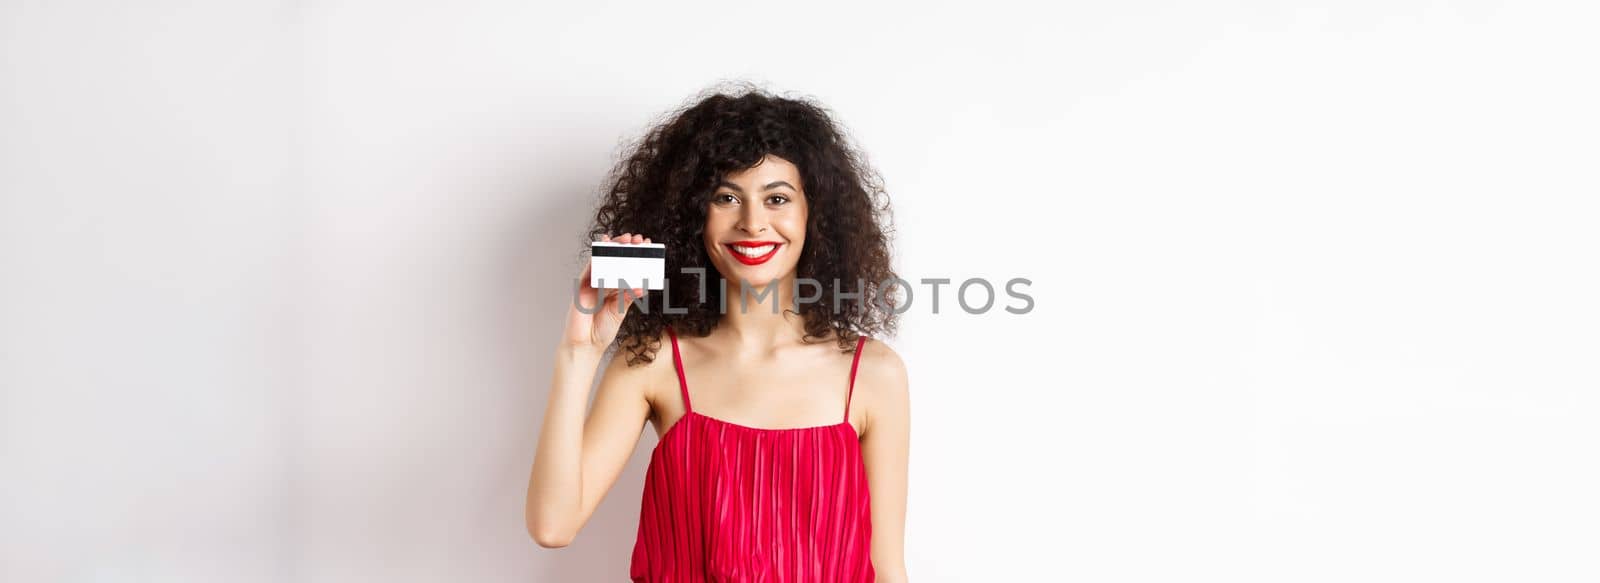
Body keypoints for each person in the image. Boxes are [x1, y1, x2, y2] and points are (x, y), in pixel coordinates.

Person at [525, 84, 910, 582]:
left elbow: (888, 570)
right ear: (693, 215)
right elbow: (553, 526)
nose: (752, 223)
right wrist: (580, 352)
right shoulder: (655, 362)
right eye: (726, 197)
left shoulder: (873, 374)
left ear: (815, 215)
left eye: (777, 198)